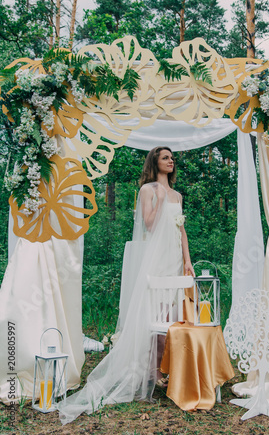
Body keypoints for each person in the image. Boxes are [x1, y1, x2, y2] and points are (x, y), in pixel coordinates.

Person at [58, 146, 194, 424]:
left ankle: (162, 369)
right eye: (165, 157)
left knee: (169, 317)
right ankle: (150, 371)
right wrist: (158, 200)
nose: (171, 161)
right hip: (155, 260)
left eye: (172, 158)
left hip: (174, 259)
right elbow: (148, 223)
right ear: (155, 161)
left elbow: (181, 230)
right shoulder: (149, 191)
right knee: (152, 315)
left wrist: (187, 260)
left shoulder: (178, 195)